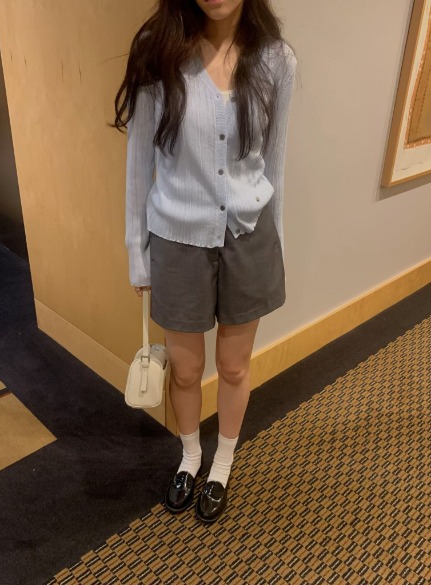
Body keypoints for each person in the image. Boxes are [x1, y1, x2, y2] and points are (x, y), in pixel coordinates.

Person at [112, 0, 297, 524]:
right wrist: (136, 253)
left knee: (234, 366)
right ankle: (190, 457)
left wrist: (276, 245)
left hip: (249, 236)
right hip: (177, 237)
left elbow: (275, 165)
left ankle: (222, 465)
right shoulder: (158, 51)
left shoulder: (277, 60)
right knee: (187, 368)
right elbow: (138, 162)